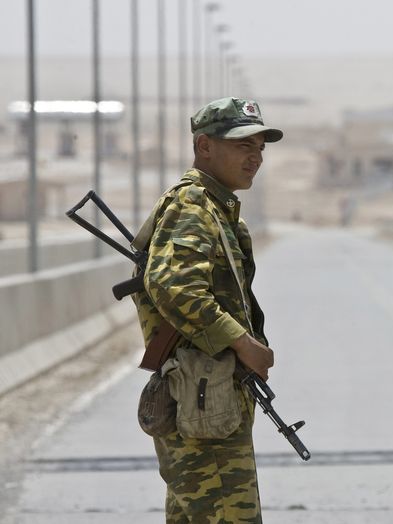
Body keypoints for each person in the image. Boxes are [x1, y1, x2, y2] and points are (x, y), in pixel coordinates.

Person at [133, 97, 281, 522]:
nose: (254, 157)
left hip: (208, 398)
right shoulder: (192, 205)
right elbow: (175, 286)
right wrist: (243, 343)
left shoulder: (216, 208)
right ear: (204, 146)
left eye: (259, 147)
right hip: (200, 397)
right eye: (241, 146)